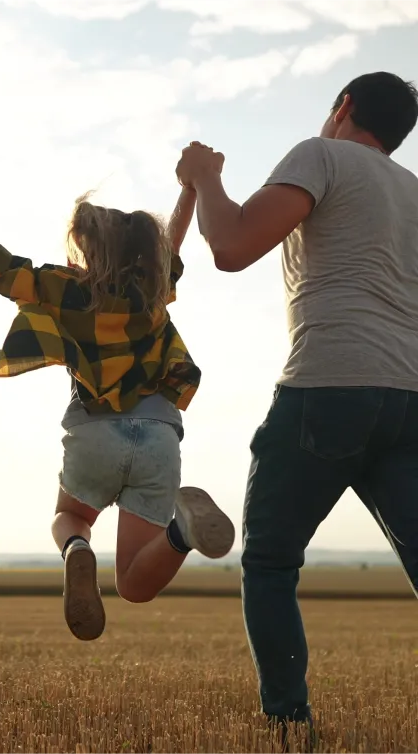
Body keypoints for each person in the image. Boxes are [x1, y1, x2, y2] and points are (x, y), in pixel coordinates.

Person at [175, 72, 418, 743]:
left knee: (272, 564)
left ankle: (289, 729)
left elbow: (230, 246)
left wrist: (203, 179)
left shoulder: (323, 155)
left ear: (341, 108)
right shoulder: (412, 192)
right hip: (410, 397)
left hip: (329, 386)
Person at [0, 145, 235, 641]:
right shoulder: (153, 286)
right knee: (134, 584)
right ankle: (183, 533)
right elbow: (173, 241)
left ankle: (77, 550)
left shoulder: (64, 287)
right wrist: (189, 190)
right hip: (159, 433)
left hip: (93, 430)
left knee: (69, 516)